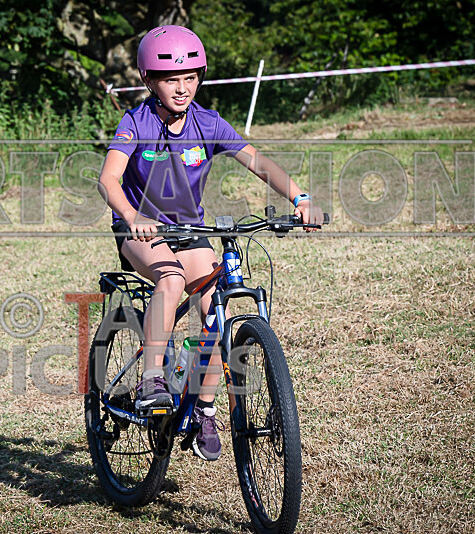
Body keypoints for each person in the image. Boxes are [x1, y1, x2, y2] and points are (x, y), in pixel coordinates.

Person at [98, 25, 323, 461]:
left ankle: (205, 407)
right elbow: (108, 178)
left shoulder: (207, 121)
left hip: (190, 230)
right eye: (169, 79)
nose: (181, 88)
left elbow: (257, 162)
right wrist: (132, 216)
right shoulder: (136, 122)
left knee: (214, 310)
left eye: (190, 78)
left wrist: (300, 197)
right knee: (170, 279)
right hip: (140, 231)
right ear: (148, 80)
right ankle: (150, 381)